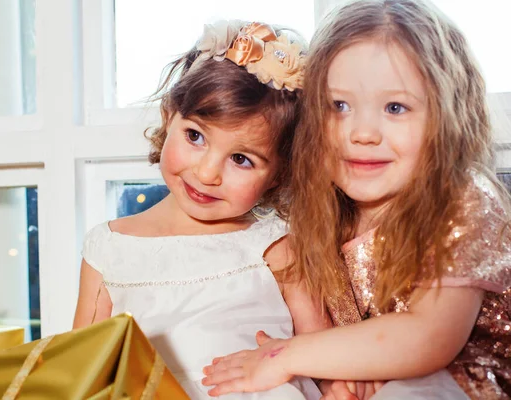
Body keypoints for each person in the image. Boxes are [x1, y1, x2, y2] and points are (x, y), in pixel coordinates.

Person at [202, 1, 511, 399]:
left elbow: (427, 339)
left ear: (447, 116)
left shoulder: (461, 199)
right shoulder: (321, 206)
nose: (363, 133)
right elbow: (332, 329)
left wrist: (284, 356)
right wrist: (340, 376)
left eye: (395, 107)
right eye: (340, 106)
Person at [73, 19, 327, 399]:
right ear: (168, 118)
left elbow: (323, 348)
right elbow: (80, 364)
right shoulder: (108, 247)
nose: (207, 173)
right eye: (195, 137)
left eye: (241, 159)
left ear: (278, 175)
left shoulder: (275, 243)